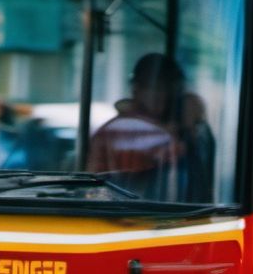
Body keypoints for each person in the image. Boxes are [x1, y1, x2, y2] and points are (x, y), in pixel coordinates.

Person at [88, 52, 213, 201]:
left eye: (166, 88)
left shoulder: (176, 129)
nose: (160, 95)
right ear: (136, 89)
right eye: (152, 87)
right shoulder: (124, 128)